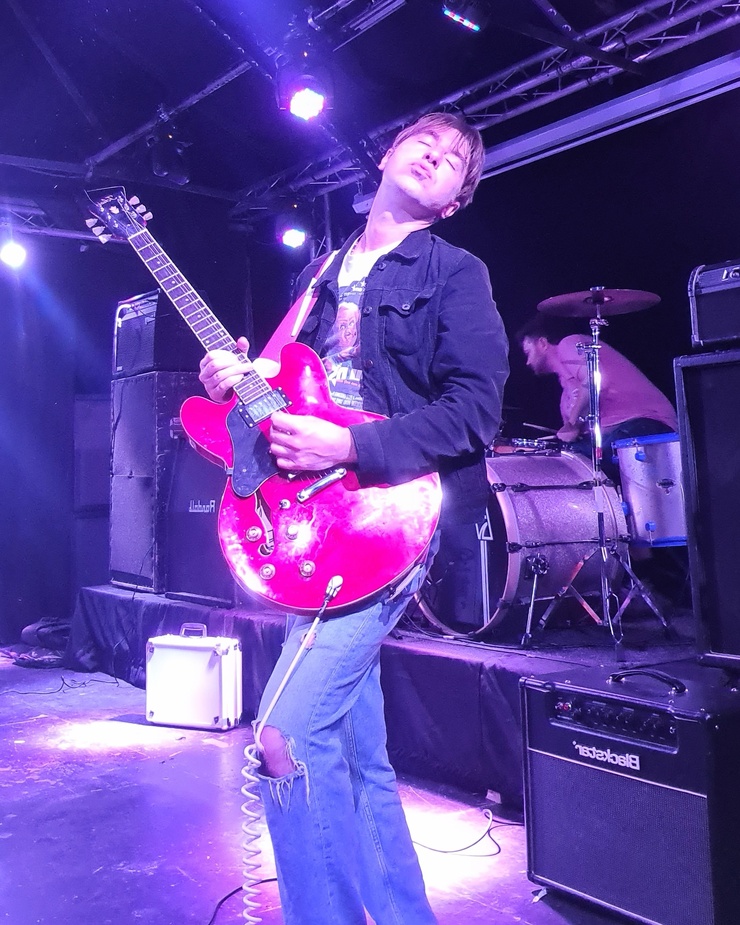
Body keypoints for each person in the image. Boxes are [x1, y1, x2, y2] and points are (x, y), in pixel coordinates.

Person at [199, 112, 509, 925]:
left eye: (455, 161)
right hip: (314, 526)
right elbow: (274, 384)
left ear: (454, 201)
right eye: (426, 140)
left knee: (284, 735)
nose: (436, 154)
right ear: (388, 152)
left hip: (386, 517)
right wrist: (230, 375)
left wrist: (348, 445)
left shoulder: (456, 272)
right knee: (352, 752)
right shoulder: (321, 272)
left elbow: (476, 413)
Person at [517, 313, 678, 482]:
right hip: (619, 437)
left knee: (567, 463)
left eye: (528, 352)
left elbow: (596, 379)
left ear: (542, 344)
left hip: (645, 426)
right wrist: (571, 432)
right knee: (565, 458)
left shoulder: (571, 344)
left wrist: (572, 423)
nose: (527, 362)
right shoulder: (566, 397)